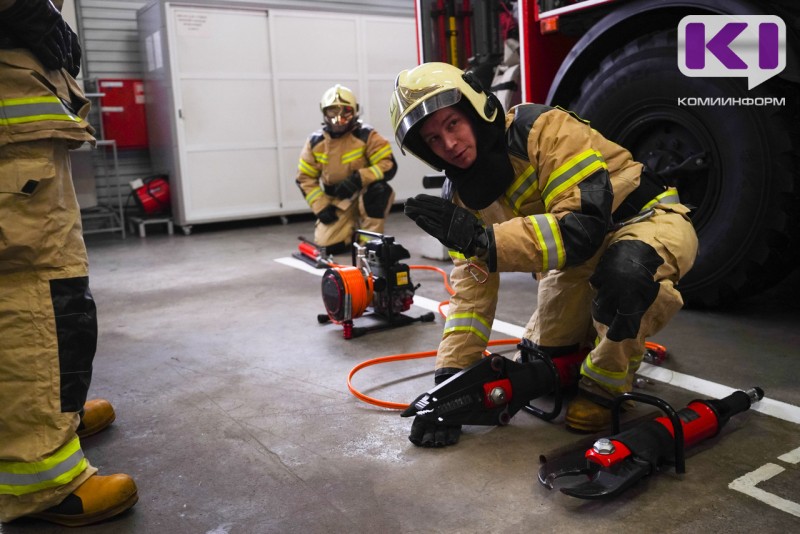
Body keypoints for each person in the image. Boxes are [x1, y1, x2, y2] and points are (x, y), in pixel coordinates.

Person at [390, 62, 698, 446]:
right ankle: (592, 344)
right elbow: (471, 298)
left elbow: (581, 228)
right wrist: (449, 388)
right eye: (434, 139)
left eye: (452, 124)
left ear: (475, 107)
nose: (449, 144)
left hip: (644, 221)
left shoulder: (542, 129)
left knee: (626, 274)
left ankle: (604, 388)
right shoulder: (458, 203)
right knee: (544, 367)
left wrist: (485, 242)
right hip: (574, 261)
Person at [0, 0, 138, 525]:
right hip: (12, 133)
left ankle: (53, 419)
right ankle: (41, 478)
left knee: (56, 292)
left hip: (24, 132)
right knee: (32, 294)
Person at [295, 84, 398, 253]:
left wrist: (359, 178)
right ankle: (349, 232)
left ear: (355, 111)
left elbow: (388, 165)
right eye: (332, 112)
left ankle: (369, 243)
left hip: (364, 194)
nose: (339, 119)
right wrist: (320, 207)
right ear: (324, 112)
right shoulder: (315, 143)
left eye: (345, 112)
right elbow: (305, 178)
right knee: (328, 246)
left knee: (379, 191)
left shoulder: (367, 136)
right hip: (336, 199)